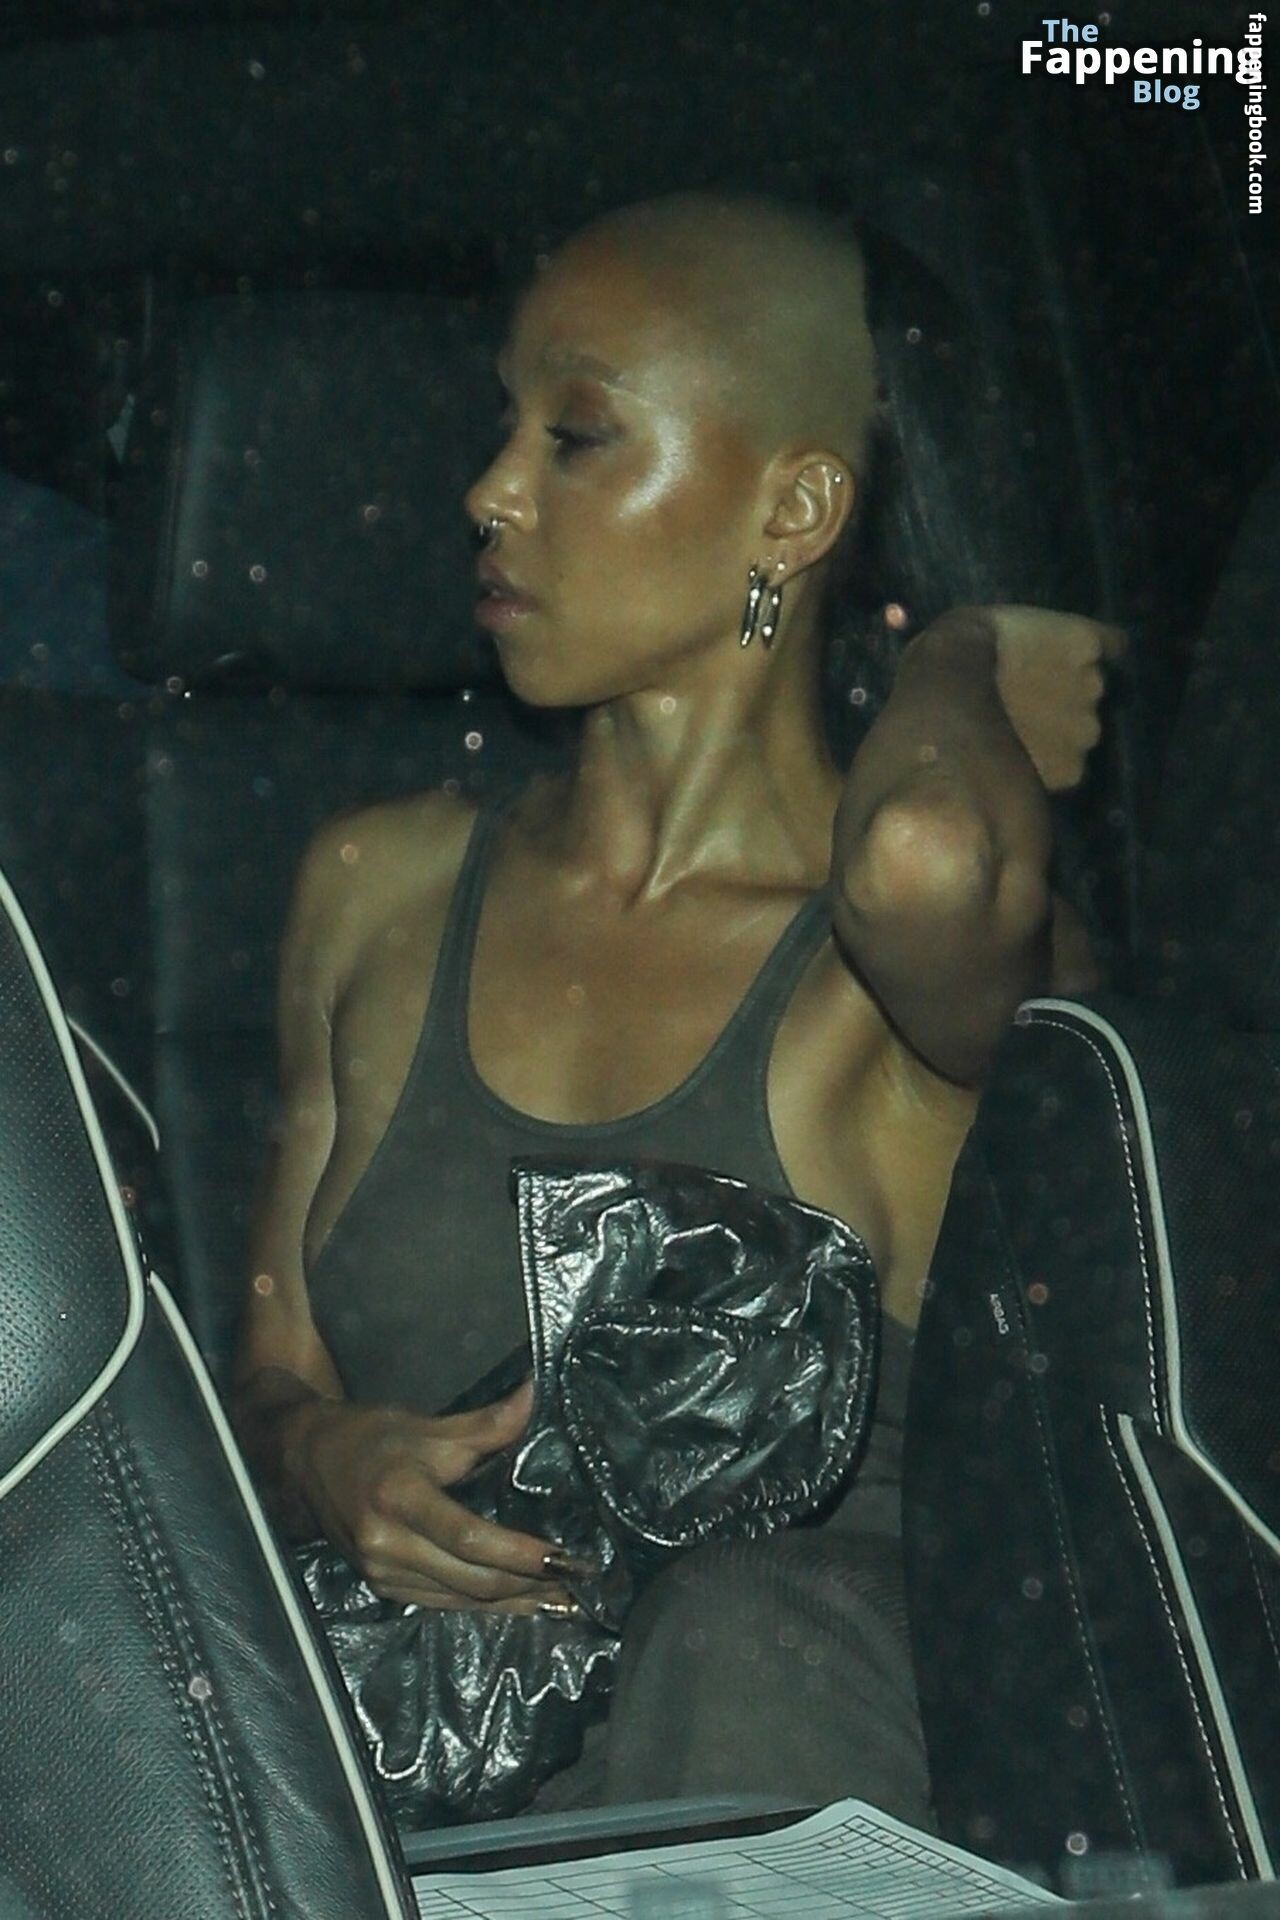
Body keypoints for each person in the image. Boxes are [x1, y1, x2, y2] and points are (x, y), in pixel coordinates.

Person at [231, 192, 1119, 1827]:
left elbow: (925, 859)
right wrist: (320, 1457)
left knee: (744, 1630)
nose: (489, 491)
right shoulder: (376, 886)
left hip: (789, 1785)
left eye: (574, 437)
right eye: (502, 426)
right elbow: (270, 1358)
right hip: (403, 1790)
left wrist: (958, 658)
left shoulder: (886, 969)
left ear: (795, 508)